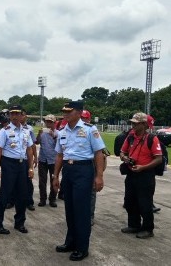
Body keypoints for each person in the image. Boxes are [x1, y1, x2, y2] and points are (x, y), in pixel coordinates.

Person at [53, 101, 105, 261]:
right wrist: (55, 176)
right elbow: (60, 155)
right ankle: (71, 242)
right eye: (64, 111)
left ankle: (82, 247)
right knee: (70, 208)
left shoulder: (90, 129)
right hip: (68, 171)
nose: (65, 114)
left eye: (69, 111)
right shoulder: (62, 132)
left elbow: (98, 153)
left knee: (81, 210)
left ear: (79, 112)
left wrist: (99, 176)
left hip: (84, 170)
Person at [0, 105, 34, 235]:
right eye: (12, 114)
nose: (14, 116)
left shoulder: (26, 131)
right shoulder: (5, 130)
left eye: (17, 113)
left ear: (22, 115)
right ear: (9, 115)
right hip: (9, 164)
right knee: (5, 195)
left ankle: (19, 223)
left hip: (22, 164)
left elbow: (29, 149)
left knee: (23, 195)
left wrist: (30, 167)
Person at [119, 112, 162, 240]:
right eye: (132, 123)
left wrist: (143, 167)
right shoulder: (130, 137)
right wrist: (125, 158)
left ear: (144, 124)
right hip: (132, 173)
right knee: (129, 201)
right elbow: (122, 151)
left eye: (136, 124)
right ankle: (134, 225)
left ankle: (148, 229)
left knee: (145, 203)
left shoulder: (151, 138)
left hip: (145, 175)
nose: (133, 125)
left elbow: (158, 159)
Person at [35, 114, 58, 207]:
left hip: (53, 160)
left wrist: (54, 136)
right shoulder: (43, 133)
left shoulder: (58, 133)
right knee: (42, 181)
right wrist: (39, 134)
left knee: (54, 180)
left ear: (54, 123)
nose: (48, 124)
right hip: (43, 159)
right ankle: (42, 199)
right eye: (47, 122)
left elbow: (60, 147)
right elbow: (36, 142)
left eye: (50, 122)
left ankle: (52, 199)